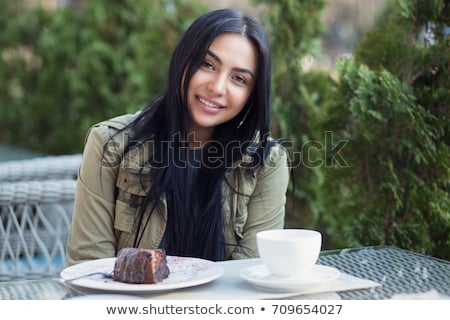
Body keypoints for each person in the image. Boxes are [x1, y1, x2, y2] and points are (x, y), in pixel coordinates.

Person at [65, 8, 290, 266]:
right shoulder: (108, 144)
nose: (217, 87)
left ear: (253, 94)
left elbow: (251, 272)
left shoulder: (266, 164)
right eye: (207, 64)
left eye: (239, 78)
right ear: (183, 60)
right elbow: (89, 267)